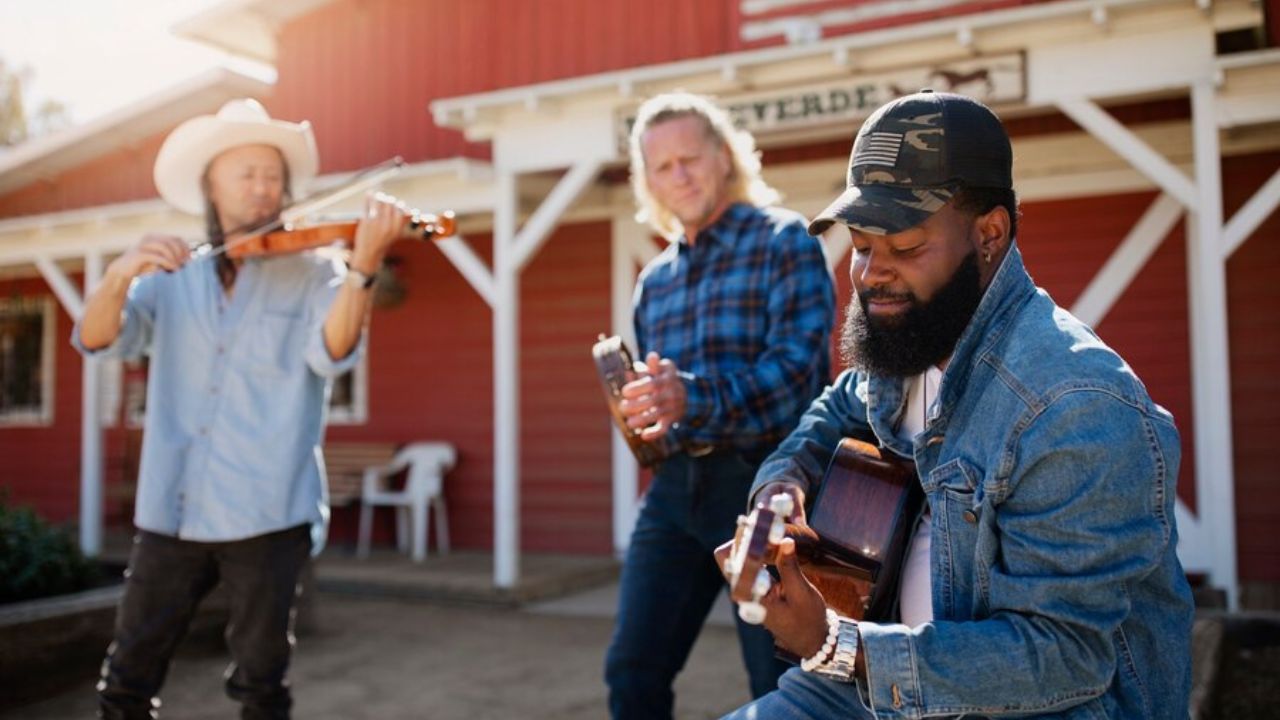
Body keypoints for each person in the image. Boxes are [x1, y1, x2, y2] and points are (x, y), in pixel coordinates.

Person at [715, 89, 1195, 719]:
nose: (868, 274)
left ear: (989, 233)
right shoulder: (913, 339)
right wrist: (782, 490)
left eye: (905, 248)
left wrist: (837, 644)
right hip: (874, 690)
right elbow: (831, 415)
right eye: (861, 245)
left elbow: (1064, 655)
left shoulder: (1074, 406)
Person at [74, 98, 408, 720]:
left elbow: (332, 354)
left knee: (261, 686)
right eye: (247, 173)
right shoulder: (172, 275)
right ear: (211, 185)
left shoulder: (316, 274)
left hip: (267, 511)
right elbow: (97, 339)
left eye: (273, 175)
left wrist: (362, 268)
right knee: (127, 677)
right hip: (172, 510)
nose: (263, 187)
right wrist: (119, 277)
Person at [603, 91, 837, 719]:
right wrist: (641, 414)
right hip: (674, 490)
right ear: (646, 179)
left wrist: (692, 396)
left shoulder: (785, 239)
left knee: (779, 681)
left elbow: (796, 377)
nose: (678, 176)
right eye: (662, 166)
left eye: (690, 159)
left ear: (724, 158)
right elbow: (663, 415)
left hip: (764, 486)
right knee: (632, 671)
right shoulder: (654, 281)